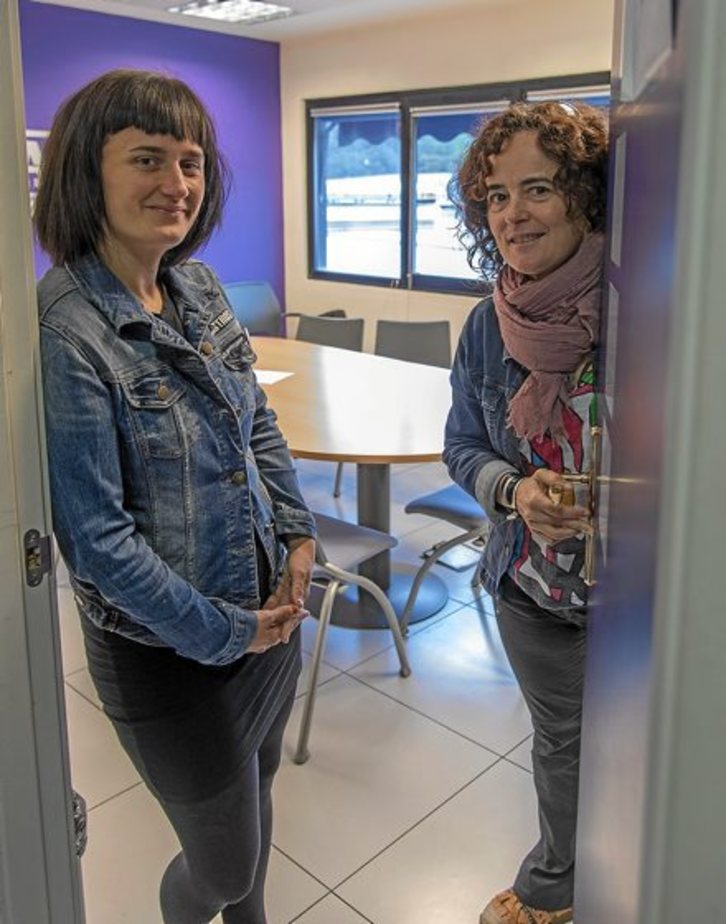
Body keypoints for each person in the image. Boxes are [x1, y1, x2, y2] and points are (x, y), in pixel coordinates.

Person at [34, 69, 317, 924]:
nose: (178, 183)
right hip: (170, 655)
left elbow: (255, 419)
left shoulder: (199, 288)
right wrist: (230, 631)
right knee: (222, 867)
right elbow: (98, 543)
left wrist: (298, 534)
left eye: (190, 162)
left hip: (268, 615)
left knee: (260, 799)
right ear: (87, 171)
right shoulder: (64, 330)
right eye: (148, 159)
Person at [444, 101, 609, 924]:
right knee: (565, 744)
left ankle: (577, 884)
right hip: (532, 591)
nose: (512, 214)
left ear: (584, 196)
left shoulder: (647, 317)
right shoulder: (489, 324)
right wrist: (516, 492)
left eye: (537, 188)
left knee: (632, 757)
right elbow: (462, 446)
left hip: (638, 607)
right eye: (497, 196)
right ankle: (559, 890)